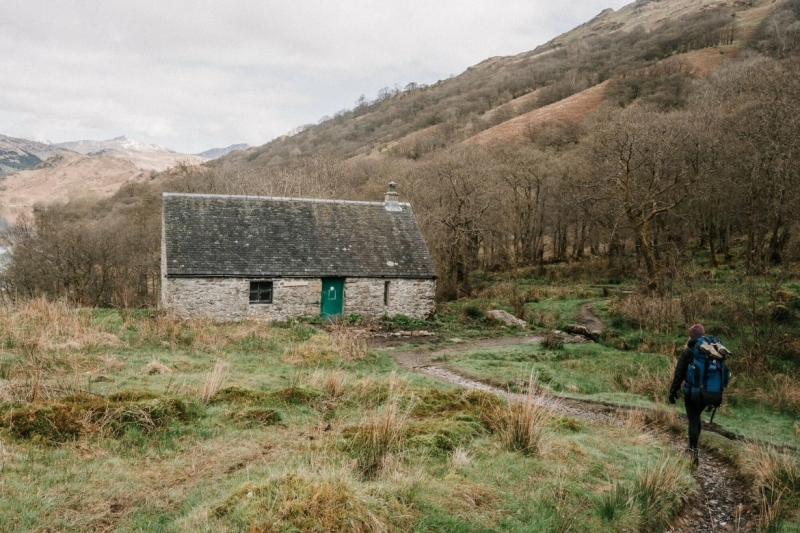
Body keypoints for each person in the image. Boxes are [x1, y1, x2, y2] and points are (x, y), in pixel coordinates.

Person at [668, 323, 709, 466]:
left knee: (692, 419)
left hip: (692, 392)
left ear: (690, 336)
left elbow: (679, 373)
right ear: (703, 334)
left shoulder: (689, 351)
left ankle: (693, 453)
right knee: (697, 417)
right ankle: (693, 449)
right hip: (708, 393)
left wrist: (673, 391)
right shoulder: (711, 350)